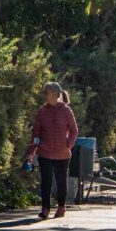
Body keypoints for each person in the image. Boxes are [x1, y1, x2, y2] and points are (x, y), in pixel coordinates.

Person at [24, 82, 79, 220]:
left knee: (61, 181)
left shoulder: (66, 111)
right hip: (45, 152)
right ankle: (45, 209)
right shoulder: (42, 111)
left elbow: (74, 130)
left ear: (55, 94)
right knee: (46, 182)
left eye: (46, 92)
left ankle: (61, 207)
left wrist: (68, 144)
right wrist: (31, 153)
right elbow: (36, 133)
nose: (44, 95)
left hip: (63, 153)